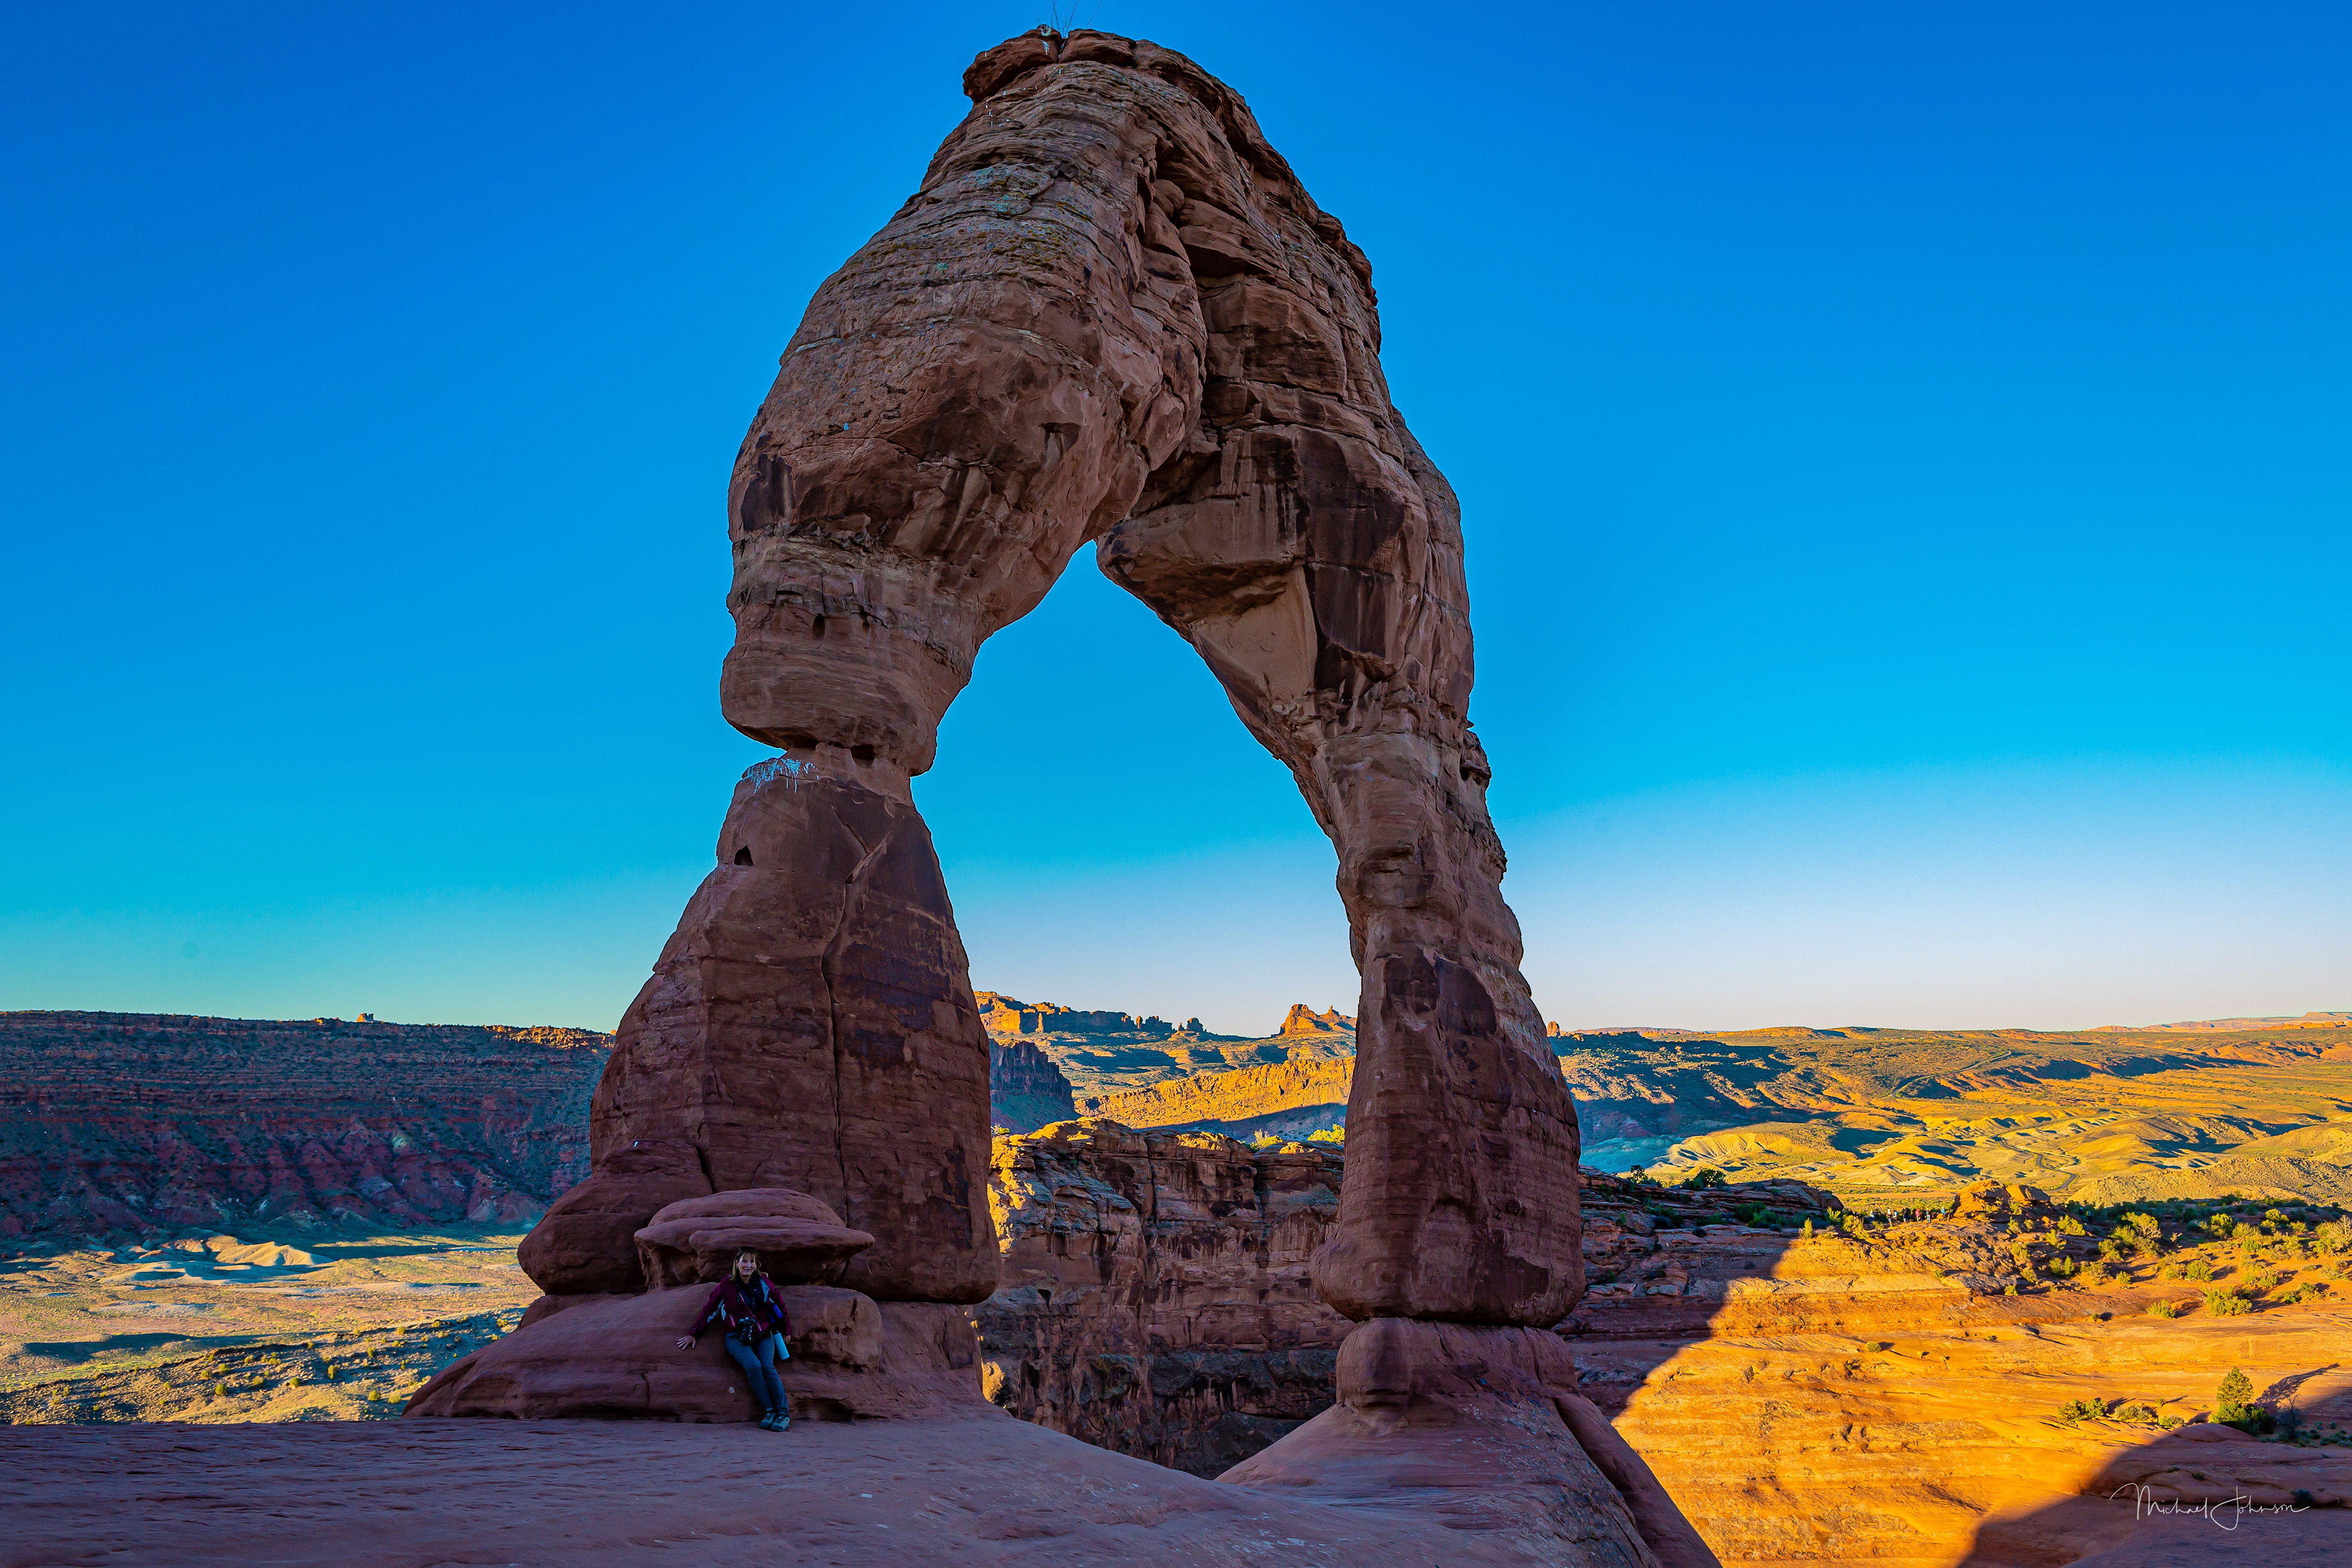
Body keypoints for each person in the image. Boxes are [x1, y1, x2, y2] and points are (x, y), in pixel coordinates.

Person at [675, 1249, 794, 1430]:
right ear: (737, 1264)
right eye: (744, 1261)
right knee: (754, 1366)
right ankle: (770, 1411)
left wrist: (786, 1331)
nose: (748, 1265)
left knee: (768, 1367)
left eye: (752, 1262)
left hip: (763, 1334)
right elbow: (710, 1310)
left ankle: (783, 1415)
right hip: (735, 1336)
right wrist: (694, 1333)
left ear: (756, 1265)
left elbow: (780, 1308)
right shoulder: (726, 1286)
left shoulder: (765, 1284)